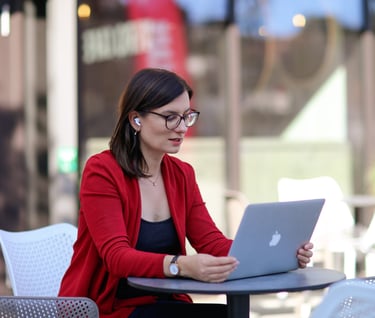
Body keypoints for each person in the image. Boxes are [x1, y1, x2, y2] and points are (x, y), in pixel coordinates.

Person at [58, 68, 314, 318]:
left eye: (187, 116)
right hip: (108, 308)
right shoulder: (102, 171)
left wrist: (277, 254)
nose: (182, 128)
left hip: (165, 304)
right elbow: (117, 258)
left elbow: (211, 243)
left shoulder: (182, 175)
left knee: (231, 314)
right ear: (136, 119)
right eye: (170, 117)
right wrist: (181, 265)